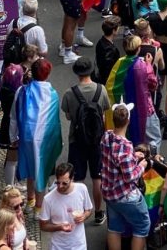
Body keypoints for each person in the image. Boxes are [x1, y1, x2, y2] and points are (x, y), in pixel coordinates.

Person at [60, 56, 111, 225]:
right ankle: (98, 212)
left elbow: (68, 116)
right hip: (97, 140)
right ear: (91, 71)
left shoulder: (70, 93)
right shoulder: (101, 90)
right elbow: (105, 111)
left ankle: (79, 211)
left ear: (76, 73)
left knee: (78, 177)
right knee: (97, 177)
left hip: (77, 139)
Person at [10, 57, 63, 212]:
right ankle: (39, 209)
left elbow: (13, 116)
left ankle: (30, 201)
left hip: (25, 138)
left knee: (30, 167)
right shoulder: (53, 94)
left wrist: (13, 137)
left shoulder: (22, 91)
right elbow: (55, 121)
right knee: (42, 170)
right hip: (45, 139)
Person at [99, 102, 151, 250]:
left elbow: (114, 157)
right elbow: (130, 177)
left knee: (114, 227)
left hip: (109, 193)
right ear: (128, 121)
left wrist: (133, 156)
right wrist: (141, 166)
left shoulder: (106, 136)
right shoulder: (125, 146)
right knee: (142, 226)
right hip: (125, 195)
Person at [39, 161, 93, 250]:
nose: (60, 186)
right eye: (58, 182)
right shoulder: (48, 199)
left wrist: (84, 216)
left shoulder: (82, 189)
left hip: (79, 244)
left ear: (72, 179)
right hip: (58, 246)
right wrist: (59, 227)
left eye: (64, 183)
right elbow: (43, 225)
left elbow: (89, 210)